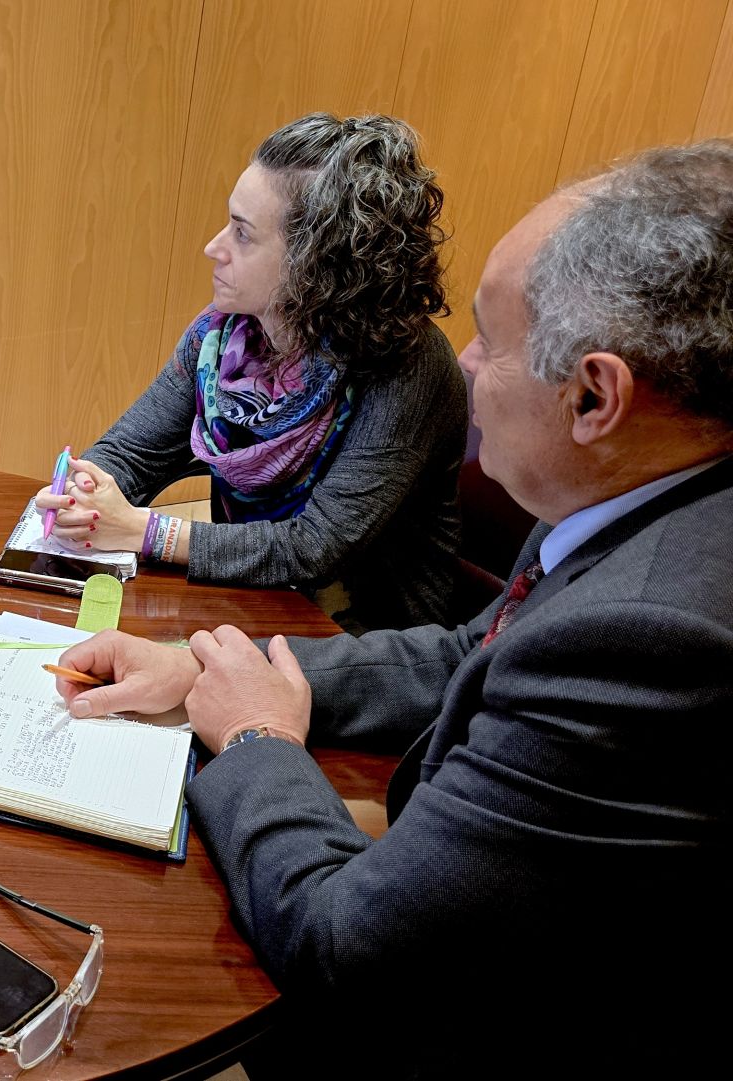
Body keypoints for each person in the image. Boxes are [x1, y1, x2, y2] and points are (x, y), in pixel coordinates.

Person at [53, 140, 733, 1076]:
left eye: (490, 340)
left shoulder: (653, 641)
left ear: (594, 394)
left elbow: (345, 950)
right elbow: (466, 652)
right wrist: (202, 666)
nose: (466, 362)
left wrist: (254, 737)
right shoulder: (630, 492)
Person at [39, 114, 464, 631]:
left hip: (367, 640)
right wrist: (85, 496)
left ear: (316, 263)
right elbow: (131, 454)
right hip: (249, 599)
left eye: (242, 234)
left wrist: (145, 532)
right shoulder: (223, 337)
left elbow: (315, 547)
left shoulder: (407, 365)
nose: (214, 248)